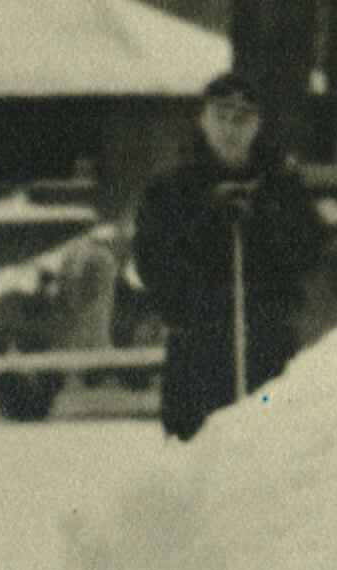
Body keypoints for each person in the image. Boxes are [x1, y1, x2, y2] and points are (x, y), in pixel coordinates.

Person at [131, 73, 326, 442]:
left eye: (242, 118)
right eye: (221, 115)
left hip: (266, 344)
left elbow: (310, 249)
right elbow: (152, 260)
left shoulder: (281, 184)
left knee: (267, 445)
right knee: (196, 451)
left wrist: (265, 219)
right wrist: (207, 222)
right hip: (197, 350)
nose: (231, 128)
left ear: (258, 125)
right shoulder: (171, 188)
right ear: (202, 119)